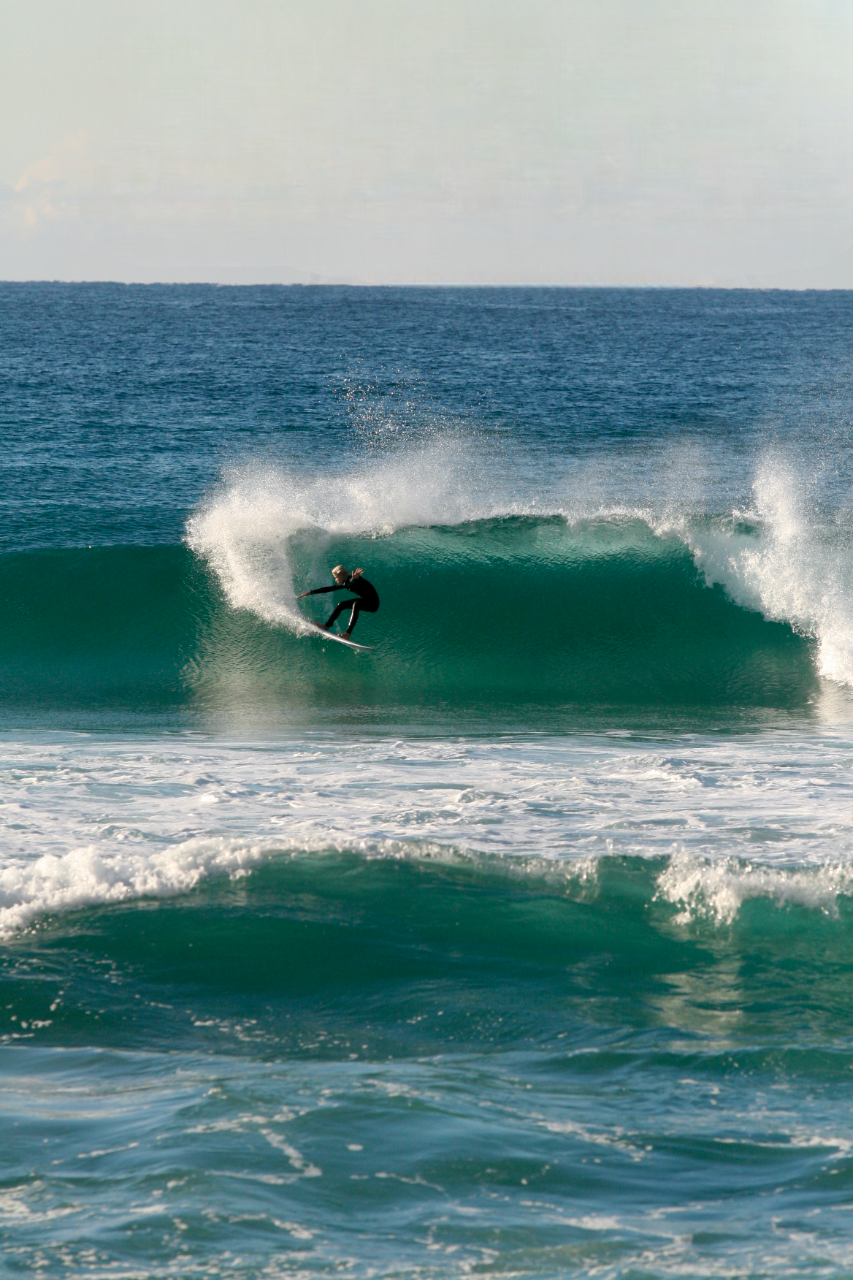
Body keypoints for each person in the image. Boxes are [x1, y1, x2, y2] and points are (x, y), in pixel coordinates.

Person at [297, 565, 380, 640]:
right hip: (365, 599)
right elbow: (329, 588)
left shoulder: (353, 580)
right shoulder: (345, 583)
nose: (335, 579)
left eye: (336, 577)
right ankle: (326, 626)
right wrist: (311, 592)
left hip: (374, 603)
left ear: (342, 575)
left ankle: (347, 634)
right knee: (341, 604)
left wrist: (355, 578)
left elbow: (353, 582)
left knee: (356, 604)